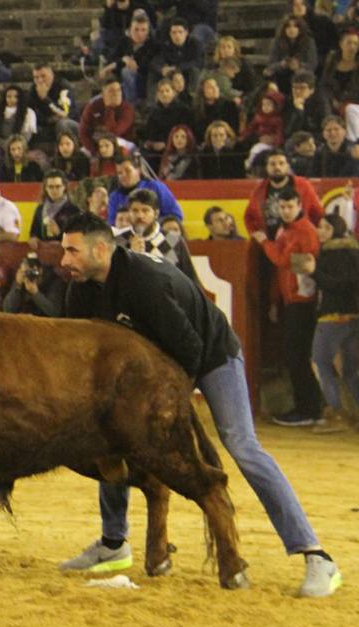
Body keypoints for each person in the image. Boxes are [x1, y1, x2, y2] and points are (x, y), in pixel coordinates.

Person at [57, 211, 342, 599]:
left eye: (72, 251)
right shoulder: (81, 290)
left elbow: (190, 349)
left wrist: (167, 409)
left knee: (241, 445)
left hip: (212, 357)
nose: (64, 261)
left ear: (100, 249)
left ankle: (316, 555)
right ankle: (113, 544)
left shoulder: (145, 284)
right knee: (111, 434)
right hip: (155, 369)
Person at [250, 187, 325, 426]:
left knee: (297, 356)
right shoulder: (288, 230)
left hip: (303, 300)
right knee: (296, 356)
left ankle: (309, 409)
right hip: (292, 299)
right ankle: (309, 407)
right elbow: (283, 267)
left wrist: (266, 244)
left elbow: (287, 262)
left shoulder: (305, 232)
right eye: (282, 207)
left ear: (299, 205)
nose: (285, 210)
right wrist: (275, 300)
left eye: (290, 206)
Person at [301, 214, 359, 433]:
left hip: (333, 317)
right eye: (320, 227)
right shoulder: (353, 253)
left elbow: (337, 286)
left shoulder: (333, 254)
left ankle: (336, 413)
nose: (320, 231)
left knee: (320, 363)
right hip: (353, 317)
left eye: (326, 227)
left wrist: (313, 272)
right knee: (351, 371)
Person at [120, 187, 199, 283]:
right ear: (129, 213)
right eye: (135, 211)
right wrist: (132, 256)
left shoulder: (173, 240)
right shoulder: (119, 241)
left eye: (145, 210)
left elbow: (190, 281)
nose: (140, 216)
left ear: (156, 213)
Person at [244, 148, 322, 240]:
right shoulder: (259, 190)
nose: (277, 167)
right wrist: (254, 233)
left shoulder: (303, 186)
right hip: (270, 244)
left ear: (287, 166)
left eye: (281, 163)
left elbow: (317, 213)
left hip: (298, 241)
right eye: (272, 164)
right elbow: (248, 216)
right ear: (266, 167)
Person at [107, 156, 182, 224]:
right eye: (120, 173)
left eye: (128, 171)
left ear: (138, 170)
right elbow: (112, 224)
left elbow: (175, 215)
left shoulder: (156, 187)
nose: (123, 175)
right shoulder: (114, 197)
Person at [78, 78, 135, 153]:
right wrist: (94, 150)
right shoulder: (93, 106)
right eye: (111, 91)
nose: (116, 93)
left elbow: (114, 132)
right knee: (80, 153)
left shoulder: (127, 109)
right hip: (97, 144)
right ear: (103, 94)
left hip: (122, 143)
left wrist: (109, 109)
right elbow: (83, 132)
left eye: (118, 90)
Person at [2, 251, 66, 317]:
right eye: (25, 272)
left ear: (40, 270)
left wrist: (36, 293)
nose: (28, 275)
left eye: (31, 271)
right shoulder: (21, 280)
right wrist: (17, 286)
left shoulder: (55, 282)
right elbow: (7, 310)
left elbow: (54, 312)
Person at [28, 169, 80, 245]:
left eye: (58, 186)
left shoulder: (74, 210)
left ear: (64, 187)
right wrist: (33, 238)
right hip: (44, 252)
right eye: (50, 187)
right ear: (45, 188)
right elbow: (33, 232)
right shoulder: (40, 209)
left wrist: (59, 233)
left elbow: (78, 238)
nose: (54, 190)